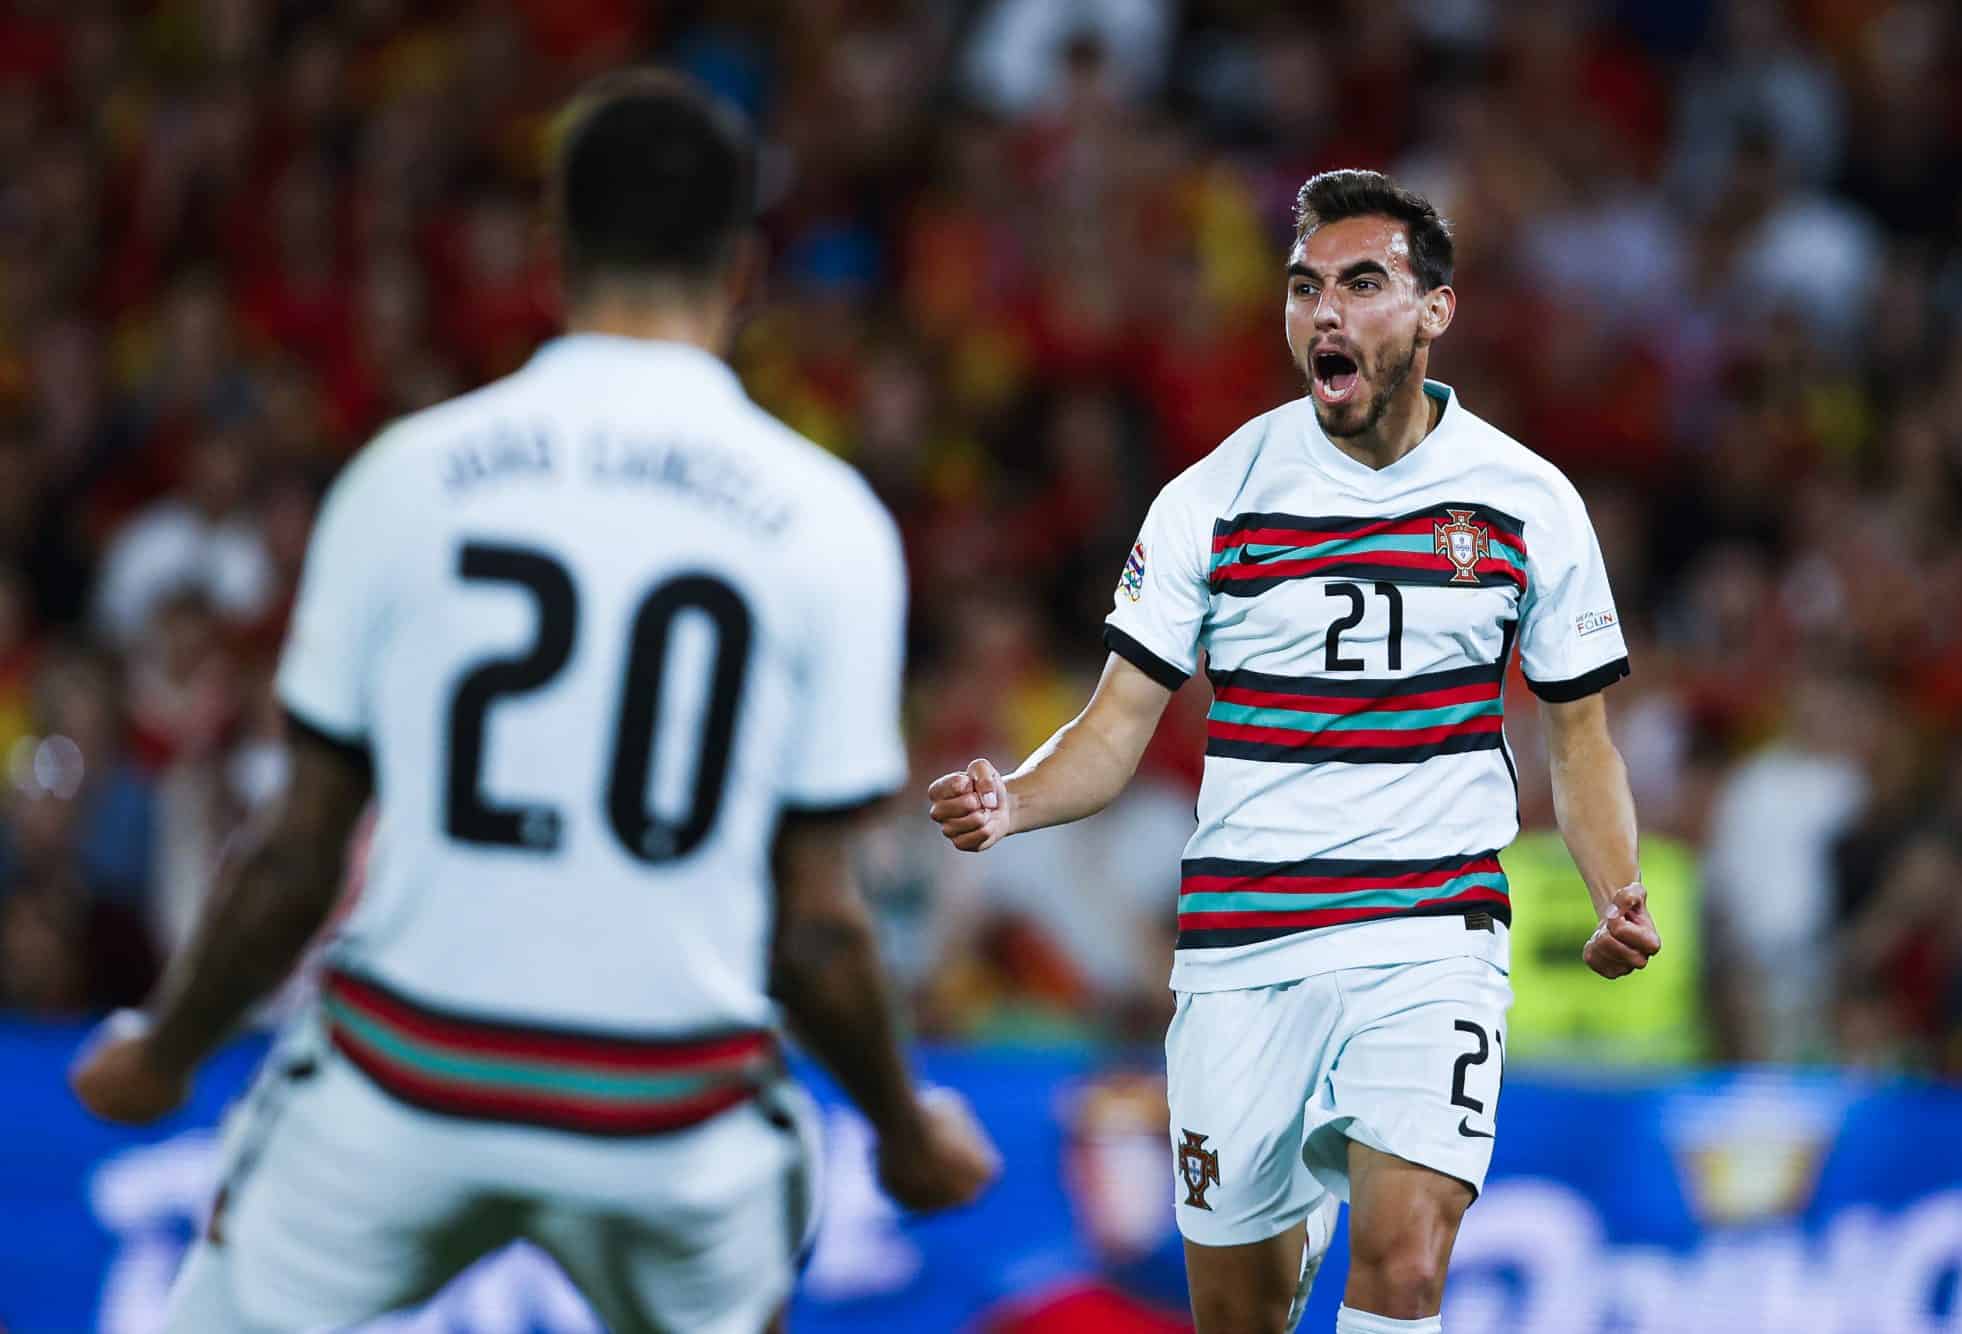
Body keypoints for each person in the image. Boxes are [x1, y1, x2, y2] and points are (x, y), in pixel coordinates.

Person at [71, 70, 997, 1334]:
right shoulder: (826, 522)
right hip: (668, 1110)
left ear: (554, 256)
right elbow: (816, 932)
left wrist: (163, 1050)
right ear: (741, 271)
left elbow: (295, 852)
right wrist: (903, 1128)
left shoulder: (405, 477)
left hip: (406, 1078)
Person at [927, 169, 1659, 1334]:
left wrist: (1613, 886)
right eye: (1304, 286)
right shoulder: (1211, 498)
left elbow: (1579, 742)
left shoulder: (1527, 501)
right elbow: (1114, 724)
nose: (1323, 311)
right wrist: (1012, 800)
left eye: (1360, 283)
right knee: (1240, 1309)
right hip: (1242, 948)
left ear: (1433, 309)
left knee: (1404, 1261)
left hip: (1429, 933)